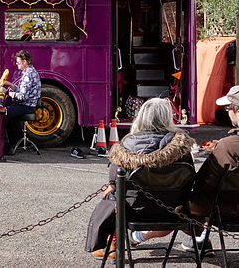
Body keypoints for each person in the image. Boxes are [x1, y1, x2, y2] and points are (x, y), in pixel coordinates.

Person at [85, 98, 196, 260]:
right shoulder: (182, 147)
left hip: (134, 211)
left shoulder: (126, 145)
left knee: (111, 191)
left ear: (141, 117)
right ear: (168, 118)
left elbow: (114, 180)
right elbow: (190, 179)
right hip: (173, 211)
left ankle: (112, 242)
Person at [186, 85, 239, 253]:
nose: (227, 112)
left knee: (192, 201)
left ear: (237, 111)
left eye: (228, 108)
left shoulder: (228, 146)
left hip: (229, 210)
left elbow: (205, 182)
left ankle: (200, 237)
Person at [3, 50, 41, 154]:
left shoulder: (28, 75)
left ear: (24, 61)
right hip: (27, 104)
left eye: (18, 62)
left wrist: (7, 93)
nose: (16, 63)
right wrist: (10, 85)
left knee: (1, 114)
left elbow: (22, 97)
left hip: (26, 106)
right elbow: (21, 90)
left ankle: (6, 146)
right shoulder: (31, 72)